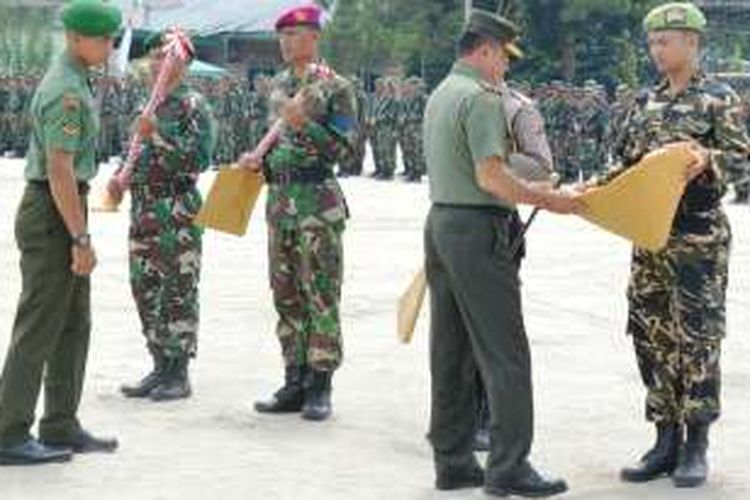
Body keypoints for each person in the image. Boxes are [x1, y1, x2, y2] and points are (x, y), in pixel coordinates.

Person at [422, 9, 581, 497]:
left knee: (450, 351)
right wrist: (551, 200)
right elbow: (491, 176)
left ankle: (453, 463)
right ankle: (509, 466)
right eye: (503, 58)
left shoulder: (441, 94)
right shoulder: (482, 98)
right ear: (486, 49)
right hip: (478, 228)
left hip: (441, 224)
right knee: (505, 353)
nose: (505, 69)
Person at [594, 2, 750, 488]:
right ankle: (664, 440)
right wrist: (586, 195)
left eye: (665, 42)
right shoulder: (644, 102)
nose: (656, 51)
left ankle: (696, 443)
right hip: (649, 238)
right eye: (652, 43)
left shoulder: (717, 100)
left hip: (697, 239)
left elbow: (742, 165)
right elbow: (623, 164)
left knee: (697, 340)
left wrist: (707, 159)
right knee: (650, 333)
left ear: (691, 43)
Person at [0, 0, 121, 465]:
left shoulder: (78, 78)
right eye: (103, 39)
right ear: (75, 38)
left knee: (73, 322)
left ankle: (59, 424)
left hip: (65, 210)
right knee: (40, 324)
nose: (109, 47)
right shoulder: (65, 90)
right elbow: (59, 169)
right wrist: (80, 238)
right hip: (53, 213)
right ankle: (9, 432)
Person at [239, 4, 356, 422]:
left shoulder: (335, 87)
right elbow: (275, 145)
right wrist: (258, 162)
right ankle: (294, 379)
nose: (286, 43)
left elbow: (348, 150)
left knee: (320, 293)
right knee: (286, 295)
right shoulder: (278, 85)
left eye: (294, 35)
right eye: (282, 37)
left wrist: (305, 123)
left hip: (317, 204)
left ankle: (320, 386)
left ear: (314, 37)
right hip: (280, 202)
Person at [119, 31, 217, 401]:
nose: (158, 62)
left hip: (177, 210)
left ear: (184, 63)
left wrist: (157, 133)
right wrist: (121, 179)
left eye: (166, 55)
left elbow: (198, 160)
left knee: (177, 290)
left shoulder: (194, 105)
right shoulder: (148, 102)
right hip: (143, 208)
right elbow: (139, 157)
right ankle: (158, 365)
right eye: (155, 56)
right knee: (144, 287)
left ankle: (178, 372)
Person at [473, 42, 556, 453]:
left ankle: (492, 416)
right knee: (459, 329)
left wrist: (492, 162)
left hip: (498, 224)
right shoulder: (456, 100)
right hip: (457, 224)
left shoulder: (517, 108)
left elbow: (542, 166)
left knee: (494, 329)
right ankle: (464, 413)